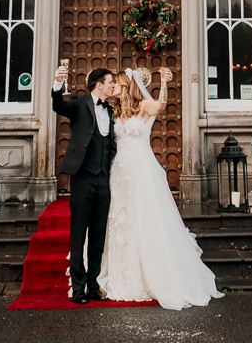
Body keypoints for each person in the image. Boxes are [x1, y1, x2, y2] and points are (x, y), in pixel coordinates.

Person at [98, 66, 224, 309]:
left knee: (142, 219)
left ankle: (149, 276)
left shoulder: (144, 107)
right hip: (120, 171)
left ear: (127, 86)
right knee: (122, 220)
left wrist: (164, 84)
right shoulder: (117, 110)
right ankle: (121, 276)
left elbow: (161, 106)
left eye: (117, 83)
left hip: (140, 169)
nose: (113, 86)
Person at [49, 61, 117, 304]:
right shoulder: (79, 103)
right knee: (78, 233)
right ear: (99, 85)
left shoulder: (110, 110)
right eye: (111, 82)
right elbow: (59, 106)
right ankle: (77, 287)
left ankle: (93, 284)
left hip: (103, 178)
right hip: (81, 176)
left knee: (98, 234)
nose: (114, 86)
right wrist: (58, 83)